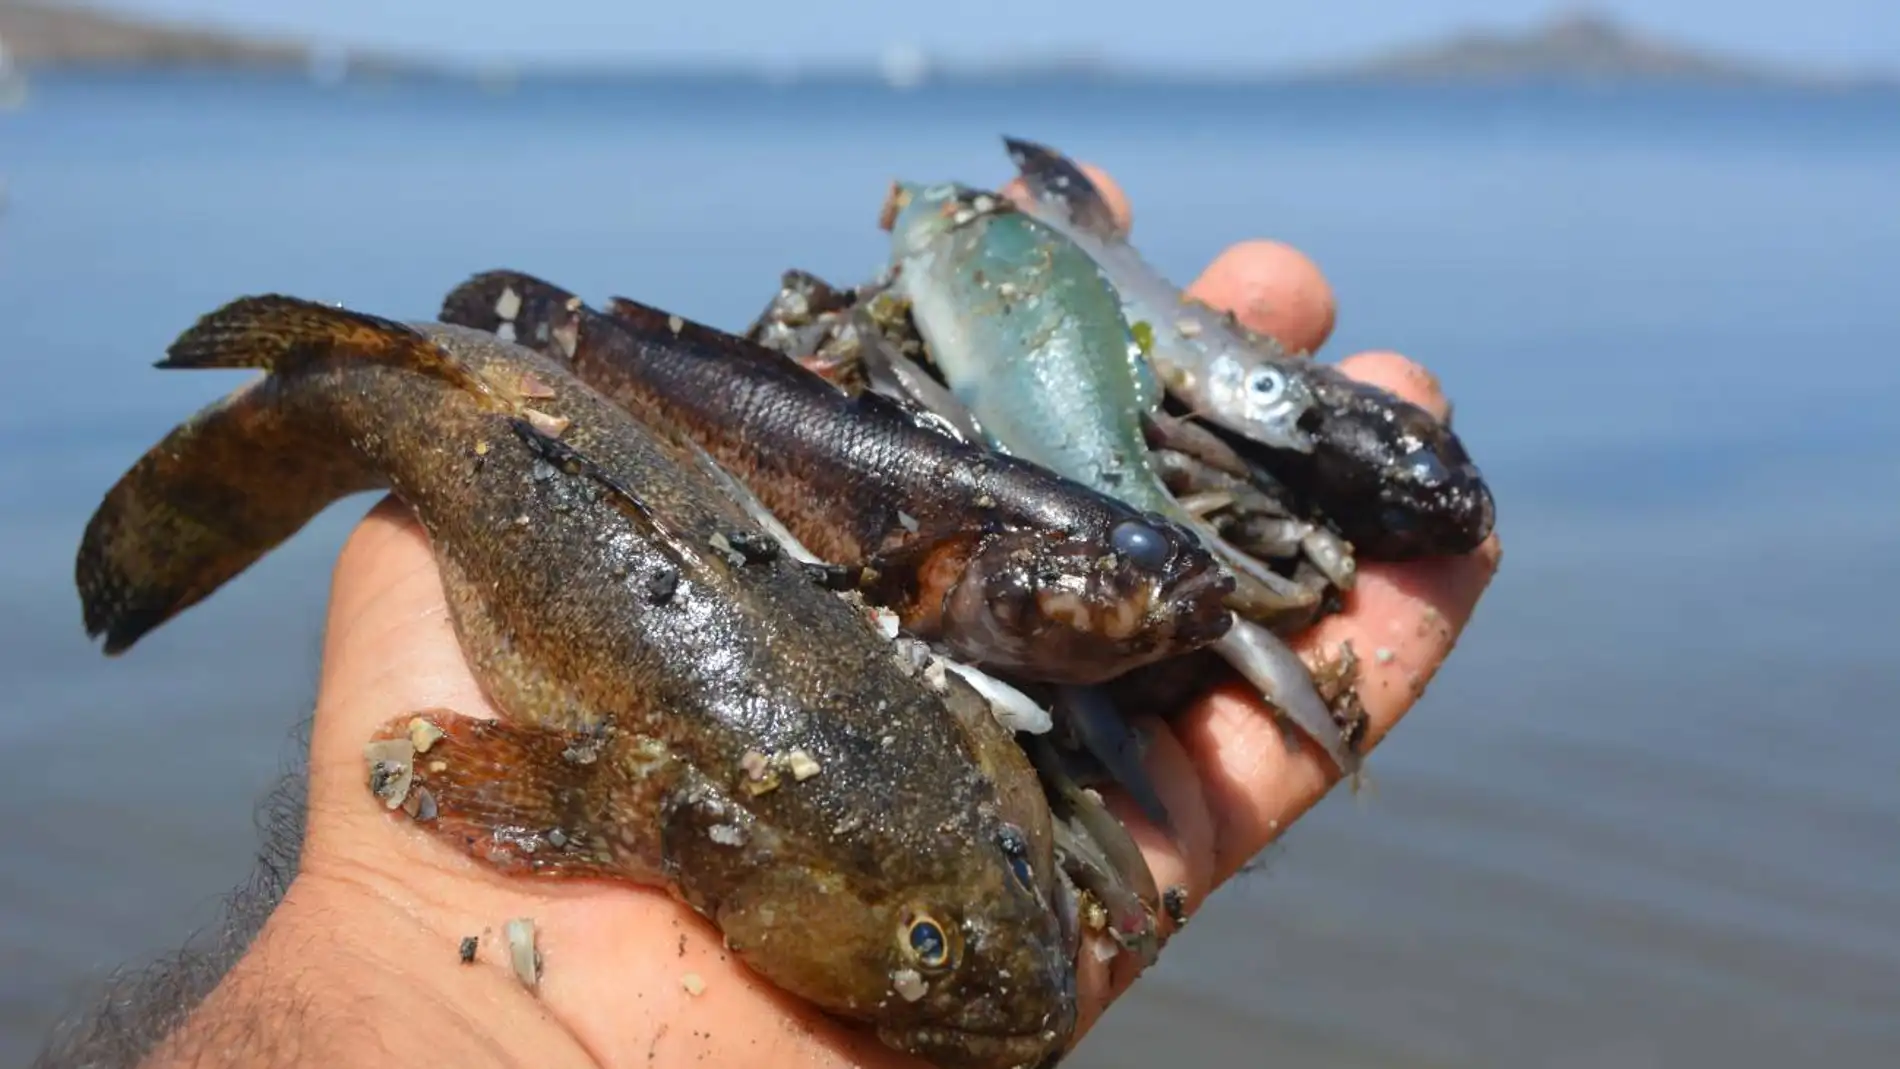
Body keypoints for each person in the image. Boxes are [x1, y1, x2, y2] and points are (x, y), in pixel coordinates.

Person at [53, 162, 1502, 1069]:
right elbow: (434, 765)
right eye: (931, 942)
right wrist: (410, 972)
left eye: (1008, 863)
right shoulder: (676, 805)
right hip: (457, 415)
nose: (1003, 959)